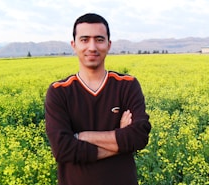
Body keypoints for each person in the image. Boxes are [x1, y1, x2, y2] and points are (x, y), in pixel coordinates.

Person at [45, 13, 151, 185]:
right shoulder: (59, 91)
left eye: (99, 39)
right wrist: (121, 139)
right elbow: (62, 149)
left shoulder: (127, 85)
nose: (92, 47)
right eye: (85, 39)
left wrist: (81, 136)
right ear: (74, 45)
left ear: (109, 45)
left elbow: (138, 137)